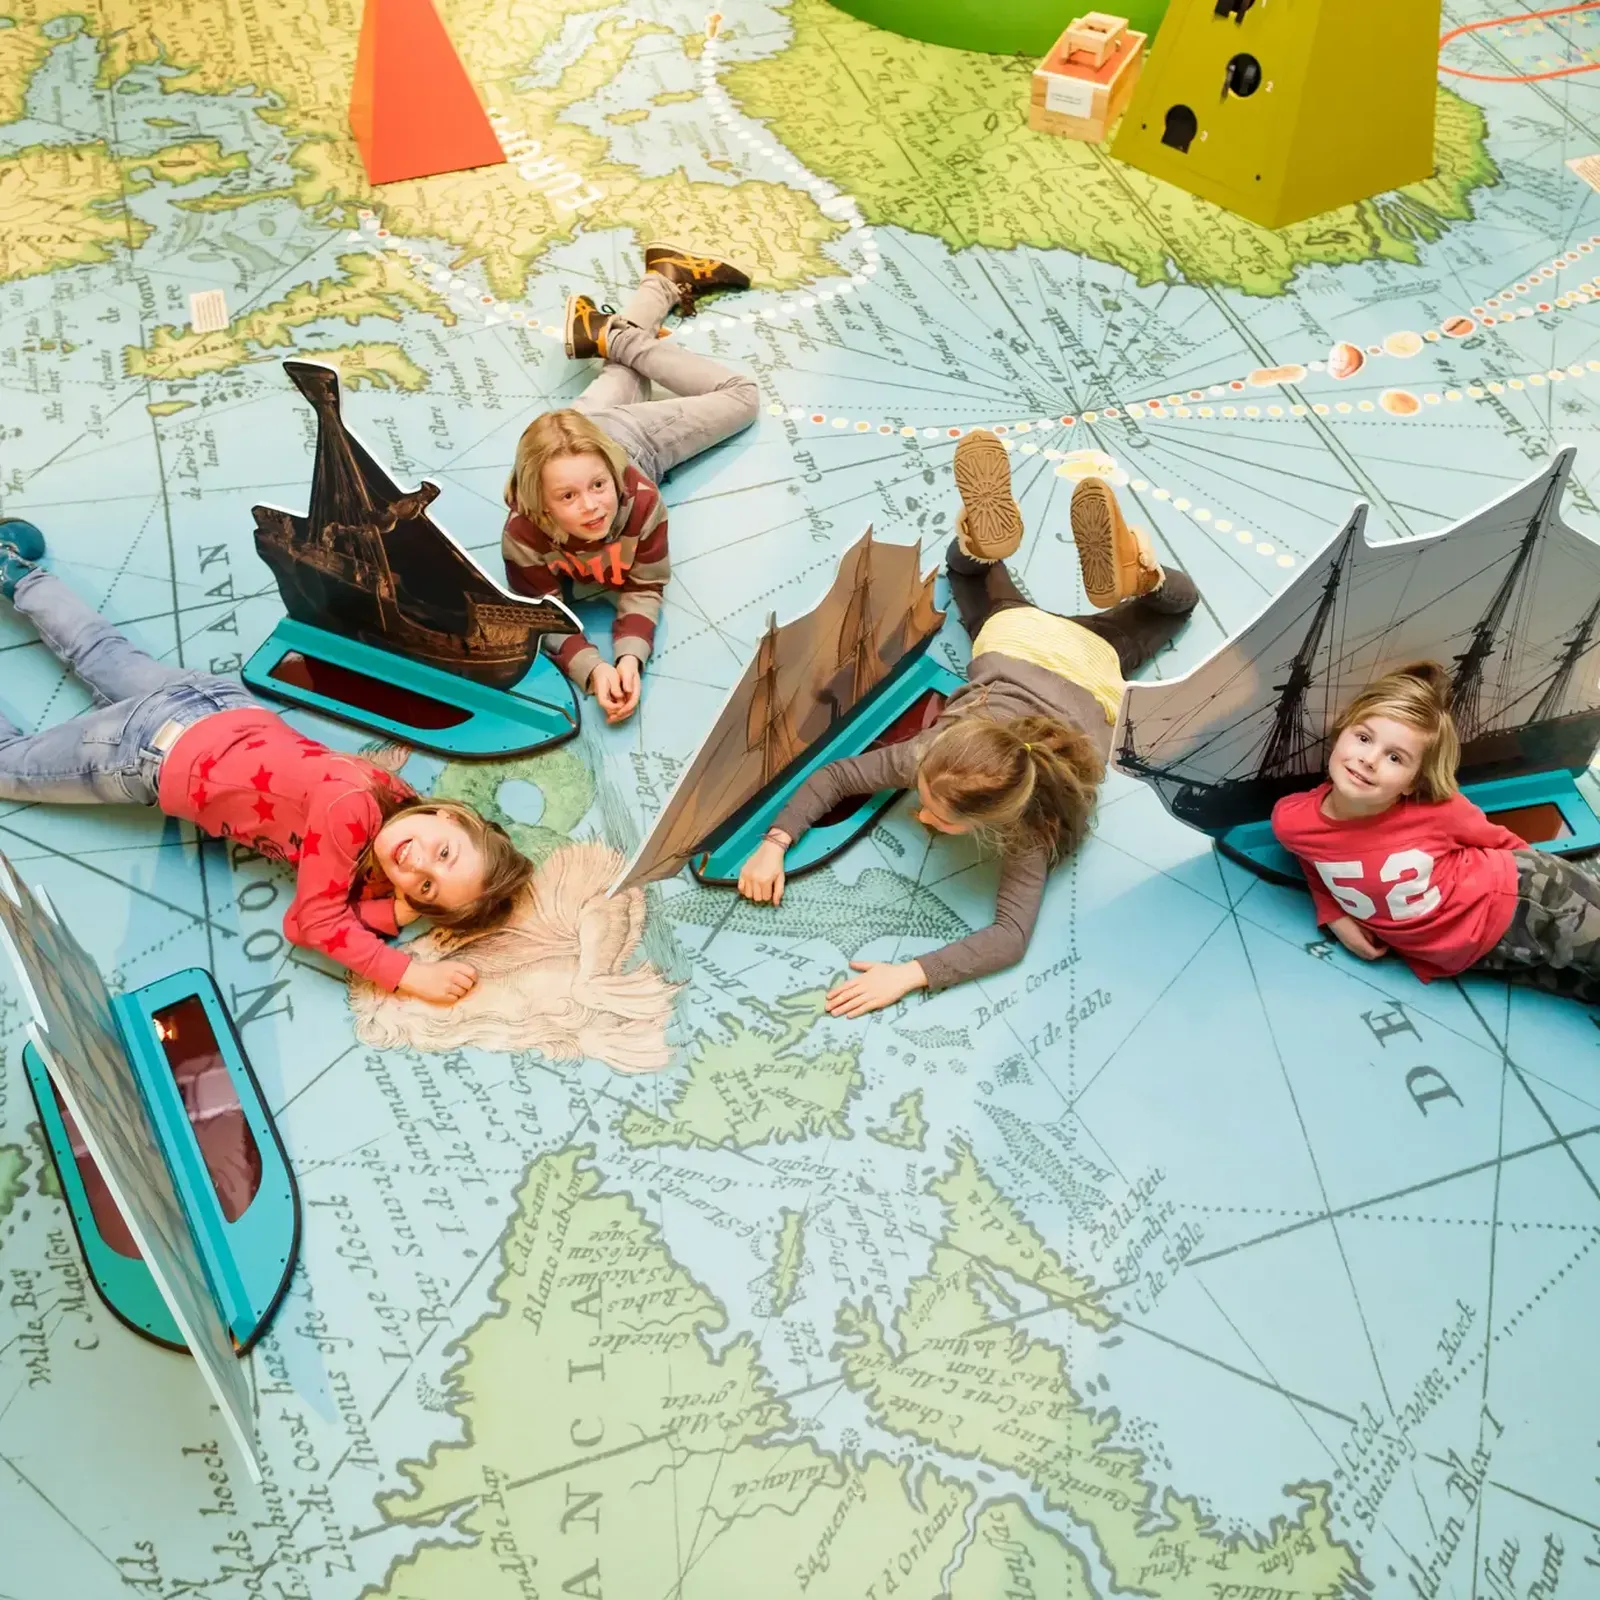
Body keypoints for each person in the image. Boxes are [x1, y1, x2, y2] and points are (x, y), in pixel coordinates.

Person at [737, 430, 1203, 1017]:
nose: (922, 814)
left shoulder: (1023, 819)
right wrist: (774, 845)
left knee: (972, 579)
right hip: (1055, 649)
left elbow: (1010, 940)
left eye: (937, 814)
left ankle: (982, 548)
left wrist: (776, 845)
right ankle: (1143, 575)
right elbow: (1008, 933)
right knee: (1174, 605)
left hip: (1048, 647)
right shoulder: (952, 767)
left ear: (998, 820)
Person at [0, 522, 532, 1005]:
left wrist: (392, 909)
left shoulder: (397, 801)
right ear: (450, 816)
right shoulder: (348, 810)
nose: (417, 864)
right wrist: (405, 972)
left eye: (426, 886)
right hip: (151, 751)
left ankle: (14, 569)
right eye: (444, 853)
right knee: (9, 765)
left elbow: (319, 908)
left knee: (99, 649)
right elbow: (314, 924)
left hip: (212, 705)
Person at [502, 244, 758, 725]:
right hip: (576, 427)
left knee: (742, 396)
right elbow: (541, 610)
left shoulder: (638, 498)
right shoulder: (523, 533)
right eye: (568, 497)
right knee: (628, 371)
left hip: (625, 436)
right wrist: (596, 669)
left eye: (599, 487)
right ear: (541, 504)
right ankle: (660, 280)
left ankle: (613, 334)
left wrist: (631, 657)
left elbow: (646, 583)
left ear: (612, 474)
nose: (592, 507)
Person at [1272, 662, 1600, 1001]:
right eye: (1364, 738)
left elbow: (1506, 844)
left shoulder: (1438, 811)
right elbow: (1311, 858)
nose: (1369, 760)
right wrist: (1334, 914)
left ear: (1412, 782)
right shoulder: (1292, 820)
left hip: (1527, 897)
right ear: (1341, 733)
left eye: (1395, 758)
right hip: (1474, 953)